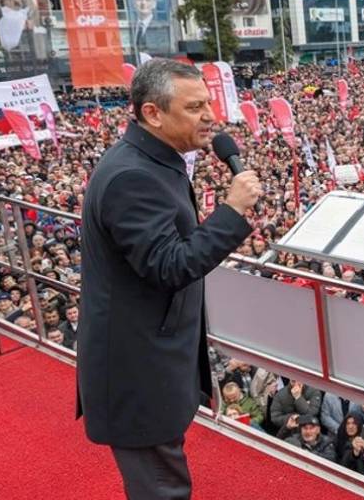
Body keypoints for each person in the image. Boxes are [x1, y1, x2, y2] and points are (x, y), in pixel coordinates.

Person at [76, 58, 262, 499]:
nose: (210, 116)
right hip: (137, 369)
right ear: (152, 113)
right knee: (162, 488)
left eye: (208, 102)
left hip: (151, 355)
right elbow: (169, 266)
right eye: (195, 107)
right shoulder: (132, 177)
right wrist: (232, 211)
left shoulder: (151, 160)